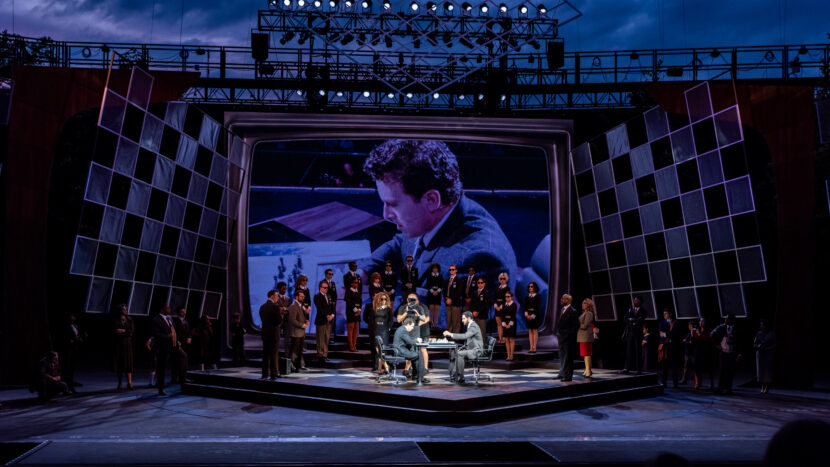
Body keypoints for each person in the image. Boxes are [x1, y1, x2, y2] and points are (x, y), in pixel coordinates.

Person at [359, 140, 518, 301]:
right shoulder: (439, 214)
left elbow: (431, 324)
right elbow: (402, 243)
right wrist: (363, 272)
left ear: (432, 200)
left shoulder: (477, 262)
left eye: (393, 204)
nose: (386, 214)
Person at [443, 311, 484, 384]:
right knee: (455, 353)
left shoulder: (473, 326)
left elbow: (465, 336)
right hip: (471, 349)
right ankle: (454, 375)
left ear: (469, 318)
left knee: (459, 354)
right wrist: (462, 347)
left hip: (476, 350)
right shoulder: (470, 326)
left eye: (463, 319)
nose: (462, 321)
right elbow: (470, 341)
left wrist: (451, 334)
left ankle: (460, 376)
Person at [396, 294, 429, 377]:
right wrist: (406, 312)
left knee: (415, 351)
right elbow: (399, 320)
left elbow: (424, 319)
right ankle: (408, 368)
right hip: (406, 332)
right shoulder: (402, 308)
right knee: (408, 351)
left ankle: (416, 371)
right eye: (410, 299)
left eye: (414, 299)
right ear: (407, 299)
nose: (412, 300)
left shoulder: (419, 308)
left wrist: (417, 314)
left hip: (416, 332)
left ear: (416, 299)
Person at [712, 313, 742, 395]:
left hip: (732, 352)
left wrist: (739, 353)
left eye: (727, 319)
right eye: (726, 318)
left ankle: (729, 389)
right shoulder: (721, 327)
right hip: (723, 352)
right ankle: (720, 388)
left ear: (732, 320)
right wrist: (717, 344)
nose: (726, 320)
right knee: (722, 371)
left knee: (730, 371)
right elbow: (712, 334)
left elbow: (740, 342)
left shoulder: (736, 329)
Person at [151, 304, 177, 395]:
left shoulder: (169, 318)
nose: (169, 309)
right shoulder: (156, 319)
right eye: (167, 308)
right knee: (161, 368)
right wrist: (167, 336)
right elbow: (156, 334)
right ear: (162, 309)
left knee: (183, 357)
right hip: (162, 347)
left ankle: (182, 378)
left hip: (173, 345)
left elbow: (173, 330)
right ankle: (160, 389)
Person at [393, 317, 428, 383]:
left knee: (415, 356)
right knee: (419, 356)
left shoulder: (401, 329)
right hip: (400, 351)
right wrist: (416, 340)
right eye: (412, 326)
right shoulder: (403, 330)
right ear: (408, 324)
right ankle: (421, 378)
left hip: (399, 350)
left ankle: (416, 376)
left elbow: (407, 341)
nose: (412, 328)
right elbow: (410, 342)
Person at [554, 294, 580, 382]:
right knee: (562, 357)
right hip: (561, 338)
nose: (561, 300)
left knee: (568, 358)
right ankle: (562, 373)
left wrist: (567, 335)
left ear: (568, 300)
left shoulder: (573, 311)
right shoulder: (562, 309)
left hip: (568, 339)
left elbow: (575, 326)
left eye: (563, 299)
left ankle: (568, 376)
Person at [260, 289, 282, 379]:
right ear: (272, 296)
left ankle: (264, 374)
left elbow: (263, 319)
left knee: (265, 355)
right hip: (273, 334)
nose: (278, 298)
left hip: (265, 333)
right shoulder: (275, 307)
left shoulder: (262, 307)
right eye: (277, 296)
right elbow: (279, 320)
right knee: (273, 355)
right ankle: (273, 374)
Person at [621, 296, 647, 374]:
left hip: (638, 334)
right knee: (629, 351)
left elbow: (640, 319)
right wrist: (632, 321)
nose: (635, 301)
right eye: (634, 300)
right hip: (630, 333)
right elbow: (625, 318)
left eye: (637, 300)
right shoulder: (630, 310)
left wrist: (632, 320)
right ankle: (627, 368)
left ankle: (638, 369)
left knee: (638, 351)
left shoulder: (643, 310)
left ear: (640, 302)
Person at [658, 309, 683, 388]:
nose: (664, 315)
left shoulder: (676, 323)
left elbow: (676, 334)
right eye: (664, 313)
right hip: (665, 346)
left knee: (674, 366)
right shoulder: (662, 323)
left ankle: (675, 383)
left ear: (670, 314)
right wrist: (668, 334)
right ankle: (664, 383)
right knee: (664, 366)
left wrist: (666, 334)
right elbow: (661, 334)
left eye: (666, 313)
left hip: (673, 346)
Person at [113, 305, 134, 391]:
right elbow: (114, 331)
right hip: (118, 344)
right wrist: (123, 331)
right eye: (123, 309)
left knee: (128, 364)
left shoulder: (129, 320)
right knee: (120, 364)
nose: (125, 310)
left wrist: (123, 331)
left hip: (127, 344)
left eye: (125, 309)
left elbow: (131, 332)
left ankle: (129, 382)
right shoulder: (115, 320)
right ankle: (120, 383)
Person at [372, 292, 394, 375]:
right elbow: (371, 319)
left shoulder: (388, 309)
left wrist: (388, 328)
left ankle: (383, 368)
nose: (384, 301)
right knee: (378, 350)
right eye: (382, 299)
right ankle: (382, 367)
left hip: (384, 330)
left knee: (383, 350)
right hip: (377, 329)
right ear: (378, 299)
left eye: (385, 299)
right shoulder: (375, 308)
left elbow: (391, 320)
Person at [288, 289, 309, 371]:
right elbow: (293, 320)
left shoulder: (301, 306)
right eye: (301, 296)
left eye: (304, 296)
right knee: (294, 350)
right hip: (296, 332)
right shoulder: (293, 306)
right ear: (296, 297)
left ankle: (298, 365)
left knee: (300, 350)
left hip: (301, 332)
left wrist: (305, 321)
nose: (303, 297)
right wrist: (302, 325)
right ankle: (292, 366)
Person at [61, 313, 82, 393]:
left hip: (74, 349)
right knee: (67, 368)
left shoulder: (75, 326)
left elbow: (76, 335)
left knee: (72, 368)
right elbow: (65, 338)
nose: (74, 317)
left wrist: (78, 338)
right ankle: (66, 386)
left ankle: (71, 385)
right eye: (72, 316)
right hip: (68, 350)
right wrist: (72, 340)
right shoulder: (66, 326)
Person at [314, 281, 334, 362]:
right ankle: (320, 354)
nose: (326, 289)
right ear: (320, 288)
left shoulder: (328, 296)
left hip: (329, 321)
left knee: (326, 338)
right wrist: (327, 315)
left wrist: (332, 315)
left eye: (327, 288)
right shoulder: (317, 296)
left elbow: (332, 306)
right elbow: (320, 308)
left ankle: (325, 354)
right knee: (320, 338)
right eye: (324, 288)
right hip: (321, 320)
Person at [692, 317, 714, 390]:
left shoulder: (709, 330)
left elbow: (706, 339)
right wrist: (692, 334)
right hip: (697, 351)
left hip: (706, 351)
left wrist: (699, 334)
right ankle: (697, 383)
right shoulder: (697, 330)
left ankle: (711, 384)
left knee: (709, 368)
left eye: (702, 321)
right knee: (696, 368)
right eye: (700, 321)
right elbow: (694, 340)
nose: (701, 323)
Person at [754, 319, 775, 394]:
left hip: (768, 354)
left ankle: (767, 386)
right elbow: (755, 343)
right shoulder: (758, 333)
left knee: (768, 371)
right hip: (760, 354)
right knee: (761, 371)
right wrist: (758, 346)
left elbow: (774, 345)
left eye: (762, 324)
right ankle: (762, 386)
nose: (760, 326)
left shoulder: (771, 334)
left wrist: (766, 348)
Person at [171, 307, 191, 383]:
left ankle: (182, 377)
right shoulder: (175, 321)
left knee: (183, 360)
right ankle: (176, 378)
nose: (184, 313)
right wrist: (180, 340)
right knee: (176, 361)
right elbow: (176, 332)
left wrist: (189, 338)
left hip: (185, 344)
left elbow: (189, 332)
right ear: (178, 312)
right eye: (182, 312)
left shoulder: (186, 321)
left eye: (184, 311)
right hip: (178, 343)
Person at [577, 298, 595, 378]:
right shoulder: (584, 313)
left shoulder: (589, 313)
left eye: (584, 303)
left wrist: (577, 325)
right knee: (585, 354)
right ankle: (587, 370)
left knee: (587, 354)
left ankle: (588, 370)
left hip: (586, 336)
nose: (583, 304)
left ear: (588, 305)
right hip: (583, 336)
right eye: (582, 303)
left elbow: (585, 325)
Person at [443, 265, 464, 333]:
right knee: (449, 321)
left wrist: (451, 299)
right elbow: (444, 291)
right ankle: (449, 336)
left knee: (455, 321)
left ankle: (456, 338)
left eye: (453, 269)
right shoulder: (447, 280)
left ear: (456, 270)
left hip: (455, 303)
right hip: (448, 304)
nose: (451, 271)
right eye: (450, 270)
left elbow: (459, 292)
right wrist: (446, 299)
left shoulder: (459, 280)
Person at [275, 282, 292, 361]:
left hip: (287, 321)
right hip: (279, 320)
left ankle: (287, 355)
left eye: (285, 289)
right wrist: (283, 309)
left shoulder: (288, 299)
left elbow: (290, 309)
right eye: (283, 289)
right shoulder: (276, 298)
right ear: (279, 289)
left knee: (287, 339)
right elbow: (277, 308)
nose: (284, 290)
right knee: (276, 338)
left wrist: (284, 309)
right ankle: (276, 355)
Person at [344, 278, 362, 352]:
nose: (357, 284)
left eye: (357, 283)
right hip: (351, 312)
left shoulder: (358, 291)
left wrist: (359, 310)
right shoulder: (348, 291)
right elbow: (349, 302)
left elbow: (360, 302)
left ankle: (355, 345)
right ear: (351, 283)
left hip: (358, 312)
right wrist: (355, 310)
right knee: (351, 328)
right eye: (355, 282)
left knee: (356, 328)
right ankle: (351, 346)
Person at [523, 282, 542, 353]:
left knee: (534, 330)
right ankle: (531, 347)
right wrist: (526, 315)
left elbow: (537, 308)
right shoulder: (527, 297)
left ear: (535, 288)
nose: (530, 288)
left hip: (535, 316)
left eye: (532, 286)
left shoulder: (537, 296)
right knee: (530, 331)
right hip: (528, 316)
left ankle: (534, 347)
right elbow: (525, 307)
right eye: (529, 287)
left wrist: (532, 316)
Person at [493, 272, 510, 344]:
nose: (502, 280)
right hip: (497, 308)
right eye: (501, 279)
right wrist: (496, 305)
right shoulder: (497, 288)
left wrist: (501, 306)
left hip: (504, 308)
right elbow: (494, 298)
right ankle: (500, 338)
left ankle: (505, 338)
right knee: (499, 324)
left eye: (504, 278)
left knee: (504, 323)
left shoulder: (507, 288)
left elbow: (507, 299)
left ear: (506, 279)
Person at [424, 263, 443, 328]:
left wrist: (437, 291)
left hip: (438, 294)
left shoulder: (440, 276)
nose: (435, 270)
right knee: (431, 308)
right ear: (432, 269)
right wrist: (432, 291)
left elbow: (441, 285)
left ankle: (436, 324)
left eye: (436, 268)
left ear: (438, 269)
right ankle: (431, 324)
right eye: (434, 268)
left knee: (437, 309)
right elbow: (428, 285)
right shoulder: (429, 276)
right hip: (431, 294)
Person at [501, 291, 518, 361]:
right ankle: (508, 355)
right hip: (505, 323)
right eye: (506, 297)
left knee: (511, 339)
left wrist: (509, 325)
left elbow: (513, 315)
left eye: (508, 296)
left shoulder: (514, 305)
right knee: (506, 340)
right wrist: (504, 324)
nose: (507, 298)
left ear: (511, 297)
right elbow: (502, 315)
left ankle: (511, 355)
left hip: (512, 323)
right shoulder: (504, 305)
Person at [322, 269, 337, 342]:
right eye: (329, 274)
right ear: (326, 274)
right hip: (326, 304)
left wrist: (334, 302)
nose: (331, 275)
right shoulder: (323, 282)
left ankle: (329, 337)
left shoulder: (333, 283)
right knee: (325, 321)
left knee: (331, 322)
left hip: (332, 305)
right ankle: (324, 338)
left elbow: (335, 294)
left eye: (332, 274)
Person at [680, 321, 696, 385]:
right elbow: (683, 342)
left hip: (693, 353)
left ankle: (697, 382)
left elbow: (692, 342)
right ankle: (684, 380)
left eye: (690, 326)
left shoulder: (695, 333)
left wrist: (687, 341)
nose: (689, 327)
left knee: (695, 368)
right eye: (689, 326)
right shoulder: (688, 334)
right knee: (685, 367)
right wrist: (687, 341)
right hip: (687, 353)